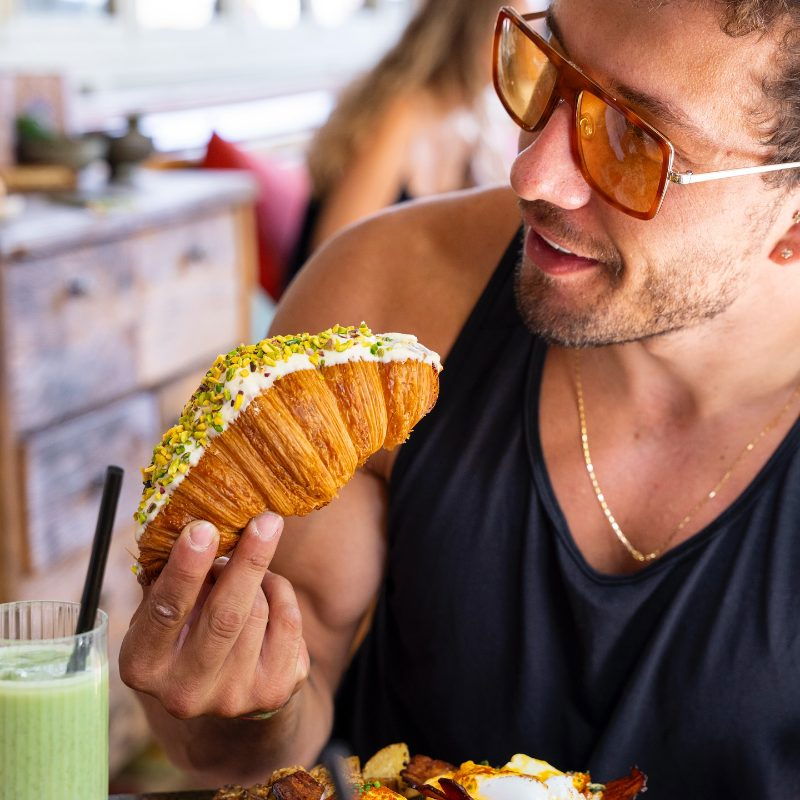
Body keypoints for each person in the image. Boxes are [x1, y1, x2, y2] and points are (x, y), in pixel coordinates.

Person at [120, 1, 800, 797]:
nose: (532, 173)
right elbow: (255, 743)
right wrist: (234, 701)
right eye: (547, 74)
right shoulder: (390, 300)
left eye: (633, 141)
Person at [285, 0, 517, 284]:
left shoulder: (468, 126)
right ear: (469, 32)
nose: (520, 52)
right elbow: (333, 262)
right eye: (510, 33)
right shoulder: (397, 115)